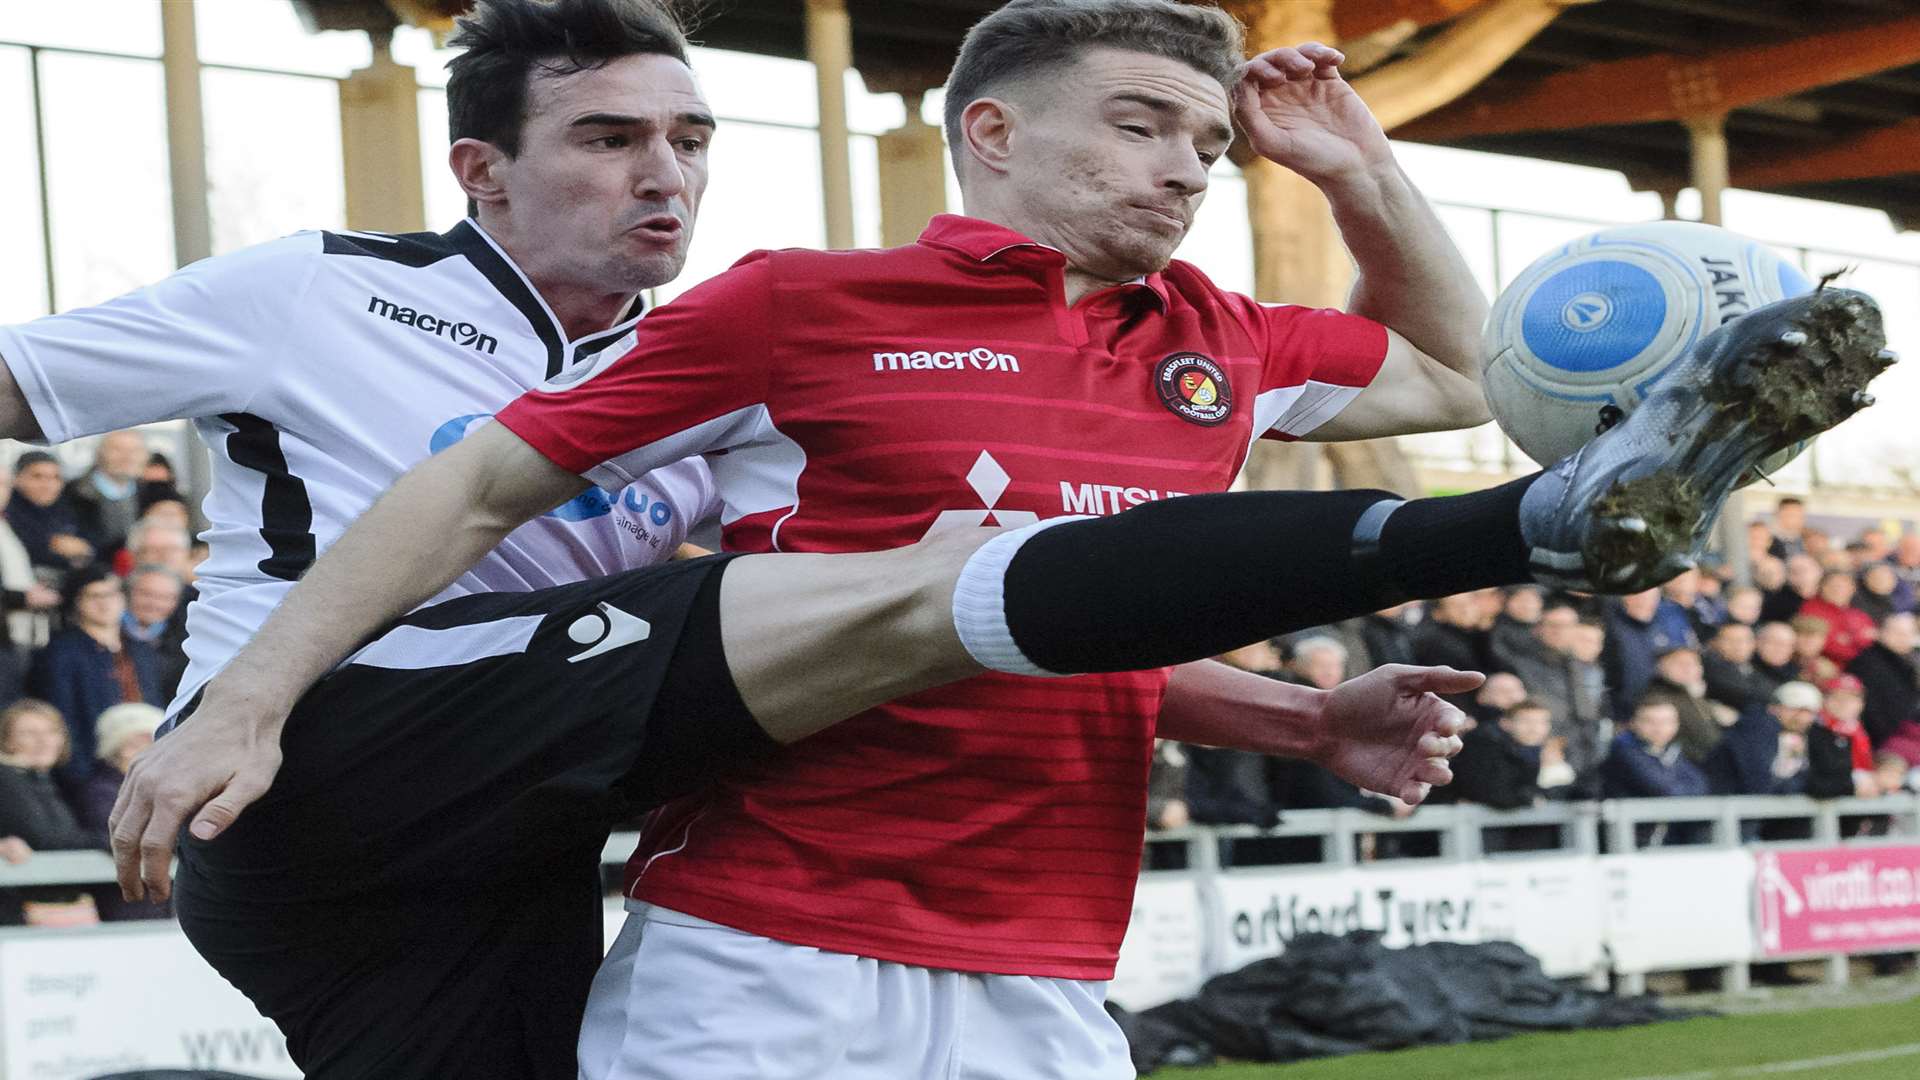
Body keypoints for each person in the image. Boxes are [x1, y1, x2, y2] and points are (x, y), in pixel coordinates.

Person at [111, 4, 1888, 1079]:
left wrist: (1354, 168)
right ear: (988, 133)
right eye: (1141, 124)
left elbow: (1452, 368)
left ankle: (1542, 519)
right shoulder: (800, 305)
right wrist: (252, 692)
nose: (1185, 169)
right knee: (950, 576)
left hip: (1050, 954)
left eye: (1203, 140)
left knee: (1014, 577)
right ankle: (1542, 529)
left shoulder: (1220, 340)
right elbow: (479, 484)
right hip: (773, 946)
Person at [26, 567, 164, 788]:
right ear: (76, 602)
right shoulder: (61, 653)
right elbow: (62, 714)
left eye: (112, 594)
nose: (105, 603)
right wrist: (80, 774)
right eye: (94, 596)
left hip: (147, 765)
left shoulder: (140, 650)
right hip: (95, 771)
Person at [0, 700, 105, 925]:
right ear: (6, 739)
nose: (43, 741)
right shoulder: (8, 780)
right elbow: (45, 837)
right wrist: (110, 842)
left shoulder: (40, 780)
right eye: (29, 733)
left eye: (52, 732)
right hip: (21, 914)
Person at [6, 452, 93, 578]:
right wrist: (51, 544)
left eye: (55, 477)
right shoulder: (7, 510)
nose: (47, 485)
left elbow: (92, 544)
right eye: (37, 477)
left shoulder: (70, 505)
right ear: (17, 478)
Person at [68, 430, 148, 561]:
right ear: (100, 454)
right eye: (117, 450)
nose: (127, 457)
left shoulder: (153, 495)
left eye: (135, 451)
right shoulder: (72, 493)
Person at [1848, 610, 1919, 748]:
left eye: (1908, 635)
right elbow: (1870, 710)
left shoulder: (1905, 664)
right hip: (1883, 740)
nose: (1903, 639)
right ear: (1881, 633)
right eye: (1897, 633)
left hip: (1905, 733)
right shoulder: (1866, 662)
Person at [1799, 569, 1876, 667]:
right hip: (1824, 665)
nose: (1839, 590)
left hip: (1859, 666)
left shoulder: (1859, 615)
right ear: (1822, 587)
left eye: (1845, 587)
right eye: (1834, 586)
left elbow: (1873, 641)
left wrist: (1851, 639)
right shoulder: (1810, 609)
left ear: (1853, 589)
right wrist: (1858, 640)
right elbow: (1826, 644)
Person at [1702, 622, 1776, 715]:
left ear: (1754, 644)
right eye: (1730, 640)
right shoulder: (1710, 666)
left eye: (1745, 640)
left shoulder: (1751, 668)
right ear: (1716, 643)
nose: (1738, 646)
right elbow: (1742, 694)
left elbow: (1770, 690)